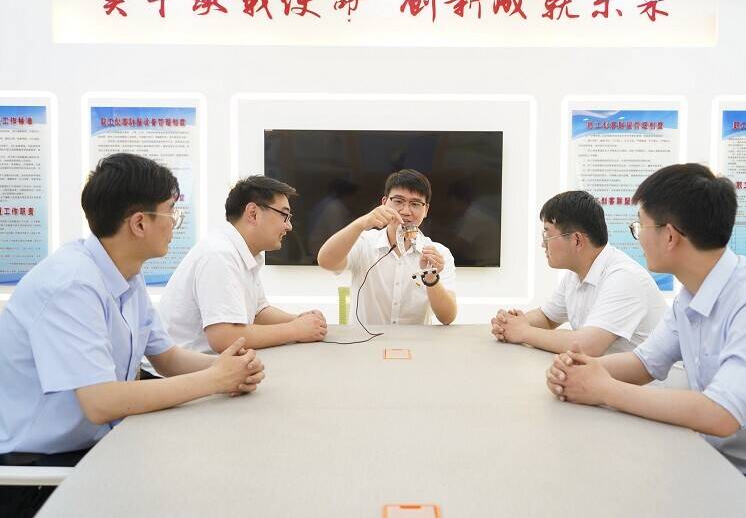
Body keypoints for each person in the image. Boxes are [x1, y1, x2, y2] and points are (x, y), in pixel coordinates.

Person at [0, 153, 265, 518]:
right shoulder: (71, 284)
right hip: (35, 471)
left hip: (94, 445)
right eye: (170, 212)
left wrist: (229, 368)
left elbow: (167, 357)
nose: (175, 223)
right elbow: (101, 402)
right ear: (139, 223)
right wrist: (214, 379)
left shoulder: (125, 272)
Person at [546, 164, 746, 514]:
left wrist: (603, 389)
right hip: (710, 457)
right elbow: (643, 363)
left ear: (669, 236)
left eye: (640, 226)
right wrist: (580, 370)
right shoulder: (692, 295)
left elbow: (722, 413)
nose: (637, 237)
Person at [158, 175, 327, 360]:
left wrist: (300, 320)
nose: (289, 226)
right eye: (284, 215)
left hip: (210, 367)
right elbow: (224, 337)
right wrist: (295, 330)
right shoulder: (219, 255)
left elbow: (259, 311)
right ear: (253, 213)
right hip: (183, 372)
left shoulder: (242, 252)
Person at [492, 191, 665, 355]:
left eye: (547, 235)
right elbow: (547, 318)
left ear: (576, 240)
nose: (543, 244)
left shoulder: (624, 277)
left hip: (651, 378)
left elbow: (588, 346)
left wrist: (523, 332)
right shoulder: (576, 274)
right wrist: (508, 323)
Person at [317, 169, 457, 325]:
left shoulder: (438, 254)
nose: (406, 211)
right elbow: (326, 261)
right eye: (398, 201)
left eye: (415, 204)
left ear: (426, 210)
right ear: (384, 203)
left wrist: (431, 279)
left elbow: (447, 318)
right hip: (364, 339)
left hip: (415, 340)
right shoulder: (365, 242)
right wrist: (360, 224)